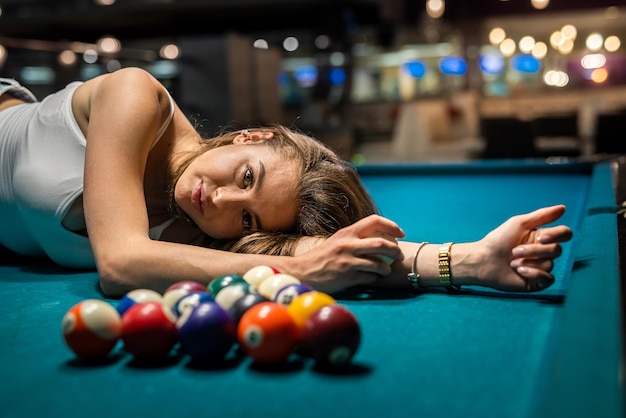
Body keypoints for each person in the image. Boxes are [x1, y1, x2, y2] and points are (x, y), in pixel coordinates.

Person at [0, 67, 573, 298]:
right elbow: (120, 263)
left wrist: (466, 260)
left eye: (248, 220)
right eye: (245, 177)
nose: (221, 201)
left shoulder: (204, 233)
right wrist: (297, 272)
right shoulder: (134, 94)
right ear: (249, 136)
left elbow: (335, 253)